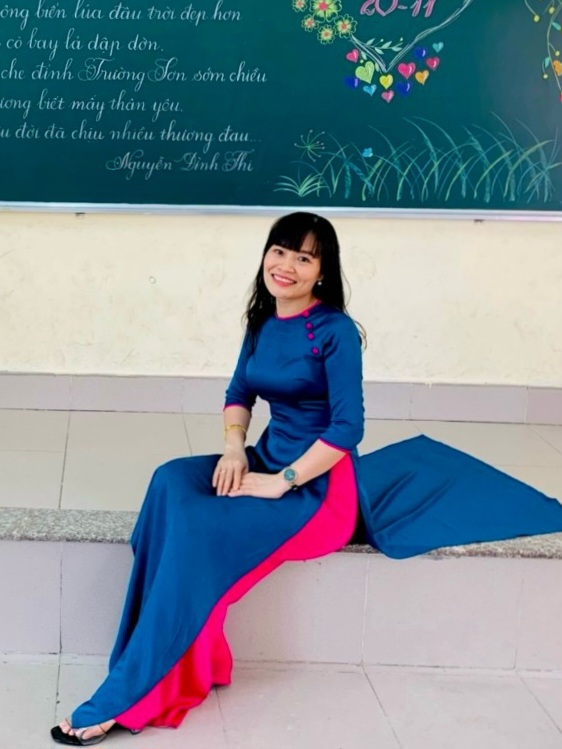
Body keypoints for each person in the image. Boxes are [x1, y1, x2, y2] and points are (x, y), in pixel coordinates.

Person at [51, 212, 562, 746]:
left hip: (320, 493)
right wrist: (235, 450)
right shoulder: (261, 321)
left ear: (322, 271)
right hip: (266, 457)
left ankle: (133, 692)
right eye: (279, 251)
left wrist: (283, 481)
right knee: (169, 483)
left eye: (304, 257)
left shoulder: (336, 331)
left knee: (200, 530)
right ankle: (182, 654)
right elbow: (239, 394)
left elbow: (348, 427)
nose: (286, 266)